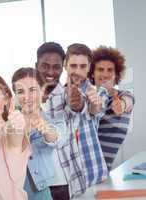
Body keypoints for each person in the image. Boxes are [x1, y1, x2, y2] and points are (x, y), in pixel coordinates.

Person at [36, 42, 85, 199]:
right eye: (45, 65)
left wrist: (78, 105)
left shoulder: (68, 95)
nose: (50, 71)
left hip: (63, 183)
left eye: (56, 67)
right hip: (36, 183)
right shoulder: (25, 98)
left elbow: (78, 109)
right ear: (36, 65)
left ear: (62, 68)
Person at [12, 67, 67, 200]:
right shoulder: (8, 122)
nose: (26, 97)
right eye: (20, 91)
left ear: (42, 91)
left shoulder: (54, 121)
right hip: (11, 191)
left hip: (39, 193)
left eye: (32, 90)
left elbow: (57, 138)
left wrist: (46, 129)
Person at [64, 43, 109, 188]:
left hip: (96, 173)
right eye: (73, 66)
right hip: (70, 180)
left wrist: (94, 104)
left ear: (89, 67)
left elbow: (96, 110)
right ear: (65, 65)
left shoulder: (99, 93)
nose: (78, 71)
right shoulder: (57, 96)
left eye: (83, 66)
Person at [88, 46, 135, 170]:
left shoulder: (124, 96)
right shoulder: (87, 99)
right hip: (83, 166)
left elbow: (128, 102)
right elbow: (94, 110)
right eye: (100, 69)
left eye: (110, 70)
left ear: (116, 74)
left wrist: (122, 105)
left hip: (100, 168)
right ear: (93, 73)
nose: (105, 74)